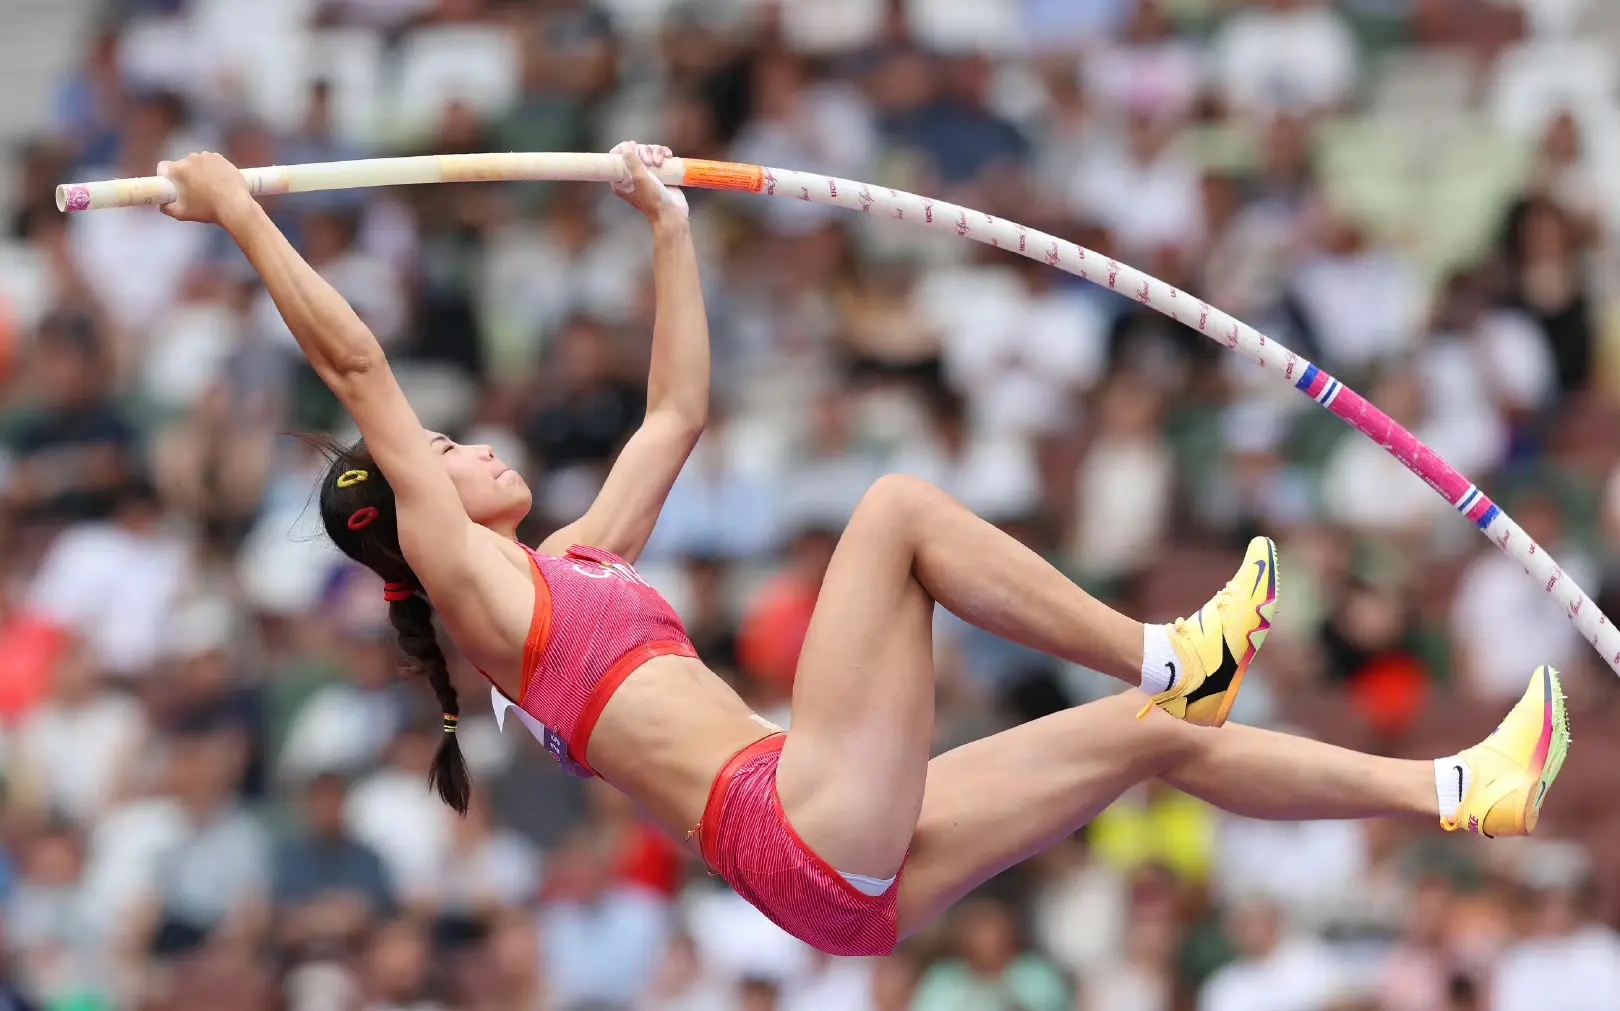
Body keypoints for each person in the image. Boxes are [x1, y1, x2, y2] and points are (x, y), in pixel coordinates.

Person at [152, 143, 1572, 958]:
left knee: (1161, 744)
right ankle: (1168, 646)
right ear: (415, 508)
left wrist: (667, 226)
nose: (471, 449)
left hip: (825, 862)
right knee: (893, 508)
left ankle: (1460, 787)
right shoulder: (477, 593)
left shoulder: (564, 571)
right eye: (444, 452)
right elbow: (352, 359)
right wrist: (234, 209)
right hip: (794, 819)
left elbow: (678, 409)